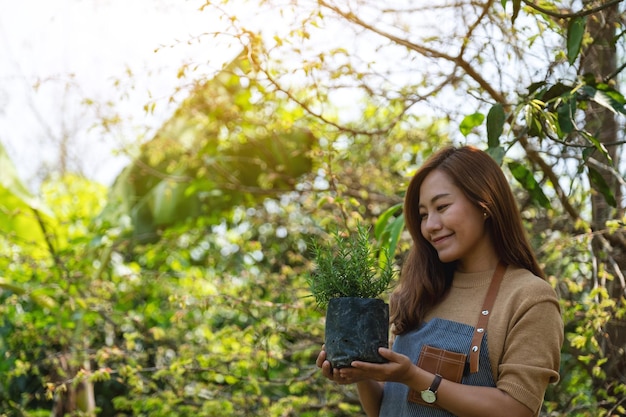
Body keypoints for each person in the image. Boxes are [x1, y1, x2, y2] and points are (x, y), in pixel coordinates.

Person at [316, 145, 563, 417]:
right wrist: (362, 374)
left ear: (485, 204)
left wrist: (415, 377)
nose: (430, 225)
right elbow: (389, 408)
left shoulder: (529, 298)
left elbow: (517, 409)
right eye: (423, 215)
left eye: (442, 207)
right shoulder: (418, 291)